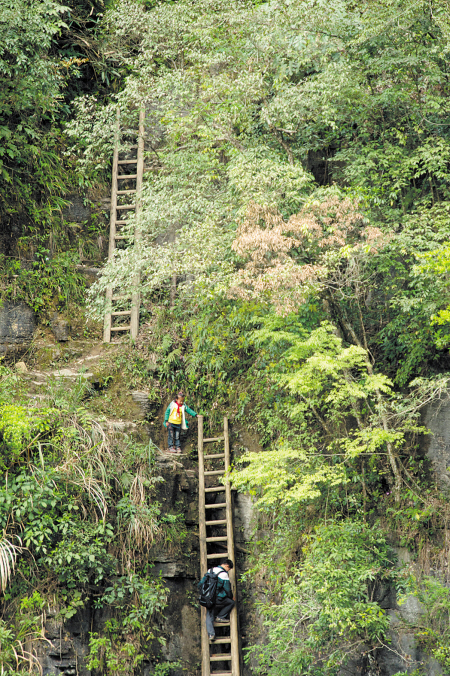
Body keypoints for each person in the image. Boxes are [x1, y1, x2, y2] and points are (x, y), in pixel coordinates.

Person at [199, 559, 235, 642]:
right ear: (226, 566)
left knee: (209, 614)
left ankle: (211, 634)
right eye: (229, 569)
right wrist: (231, 597)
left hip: (207, 598)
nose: (228, 571)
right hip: (217, 598)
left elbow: (201, 584)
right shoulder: (223, 574)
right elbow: (227, 589)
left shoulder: (210, 570)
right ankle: (220, 617)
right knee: (231, 603)